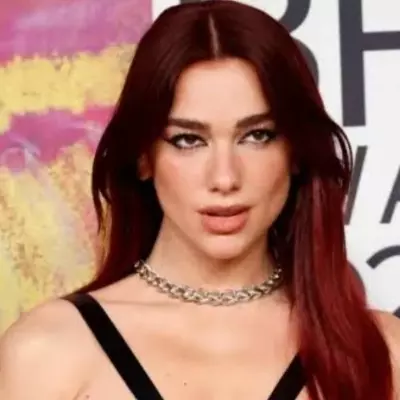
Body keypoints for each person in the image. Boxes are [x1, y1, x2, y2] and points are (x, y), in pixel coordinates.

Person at [0, 1, 399, 399]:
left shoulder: (383, 351)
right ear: (143, 157)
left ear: (295, 151)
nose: (224, 178)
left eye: (257, 136)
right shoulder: (50, 351)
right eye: (188, 140)